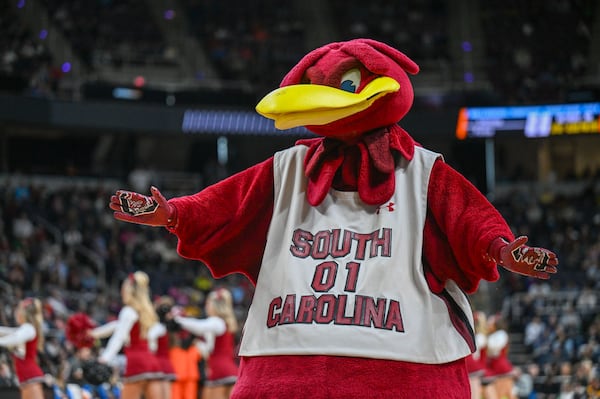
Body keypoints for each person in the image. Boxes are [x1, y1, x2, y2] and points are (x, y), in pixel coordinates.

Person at [109, 38, 559, 398]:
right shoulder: (285, 169)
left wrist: (501, 249)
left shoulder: (423, 171)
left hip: (405, 362)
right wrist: (171, 213)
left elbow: (471, 220)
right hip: (286, 359)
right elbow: (220, 205)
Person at [91, 271, 163, 399]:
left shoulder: (128, 311)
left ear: (128, 291)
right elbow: (117, 326)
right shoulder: (147, 313)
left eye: (123, 289)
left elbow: (119, 336)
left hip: (136, 363)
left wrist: (104, 358)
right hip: (152, 363)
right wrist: (94, 333)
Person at [174, 288, 239, 399]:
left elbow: (200, 327)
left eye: (208, 303)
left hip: (219, 372)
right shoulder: (225, 324)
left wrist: (178, 319)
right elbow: (210, 349)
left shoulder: (216, 321)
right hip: (231, 371)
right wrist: (197, 344)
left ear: (215, 305)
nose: (206, 306)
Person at [0, 298, 46, 399]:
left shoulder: (28, 328)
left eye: (18, 310)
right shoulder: (25, 329)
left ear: (23, 313)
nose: (15, 312)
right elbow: (8, 332)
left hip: (31, 376)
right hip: (26, 379)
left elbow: (14, 338)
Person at [150, 296, 178, 399]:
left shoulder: (158, 327)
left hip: (156, 365)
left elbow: (151, 344)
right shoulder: (168, 329)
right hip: (167, 364)